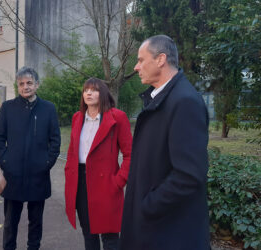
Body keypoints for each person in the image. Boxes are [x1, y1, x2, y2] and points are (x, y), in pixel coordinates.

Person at [119, 35, 210, 249]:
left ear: (160, 59)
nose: (136, 66)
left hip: (169, 231)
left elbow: (188, 174)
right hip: (156, 226)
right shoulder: (160, 98)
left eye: (141, 60)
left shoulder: (184, 101)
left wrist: (148, 206)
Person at [0, 66, 61, 250]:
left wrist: (46, 163)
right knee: (9, 223)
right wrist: (6, 161)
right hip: (13, 175)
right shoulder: (8, 108)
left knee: (36, 222)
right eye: (21, 84)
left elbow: (55, 140)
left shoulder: (48, 108)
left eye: (29, 83)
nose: (25, 87)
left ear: (37, 85)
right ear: (17, 86)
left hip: (38, 175)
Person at [64, 78, 132, 250]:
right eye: (86, 90)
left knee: (110, 236)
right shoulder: (77, 117)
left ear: (103, 93)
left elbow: (131, 154)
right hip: (80, 182)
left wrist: (119, 181)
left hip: (106, 184)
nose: (88, 93)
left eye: (94, 90)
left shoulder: (117, 117)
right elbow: (72, 151)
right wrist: (69, 174)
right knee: (88, 233)